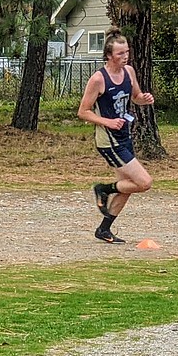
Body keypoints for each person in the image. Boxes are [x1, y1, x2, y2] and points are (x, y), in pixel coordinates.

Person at [77, 27, 155, 243]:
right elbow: (83, 111)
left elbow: (136, 96)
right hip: (108, 141)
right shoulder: (98, 79)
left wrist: (144, 99)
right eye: (120, 53)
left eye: (127, 52)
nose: (125, 57)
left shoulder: (129, 72)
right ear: (109, 55)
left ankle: (104, 229)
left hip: (124, 136)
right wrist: (108, 122)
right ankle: (103, 189)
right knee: (144, 182)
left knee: (127, 187)